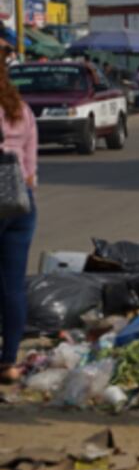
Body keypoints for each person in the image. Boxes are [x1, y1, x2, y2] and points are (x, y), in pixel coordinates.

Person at [0, 47, 38, 384]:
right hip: (20, 203)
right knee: (12, 287)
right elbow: (30, 170)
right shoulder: (21, 110)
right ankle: (9, 362)